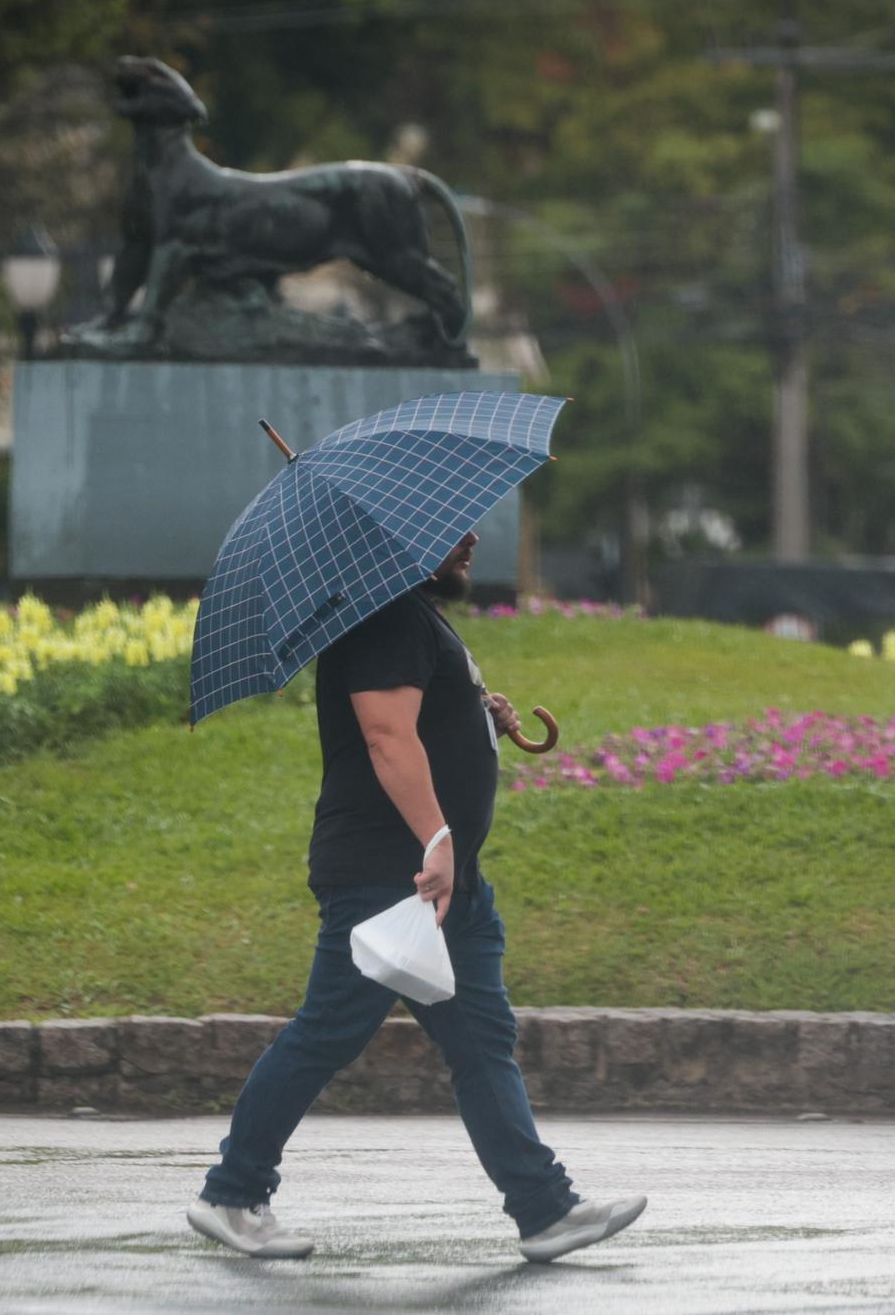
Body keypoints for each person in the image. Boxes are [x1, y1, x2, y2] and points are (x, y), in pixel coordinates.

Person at [187, 529, 646, 1262]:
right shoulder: (383, 619)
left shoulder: (409, 614)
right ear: (396, 544)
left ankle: (545, 1210)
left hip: (439, 880)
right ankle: (233, 1193)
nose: (469, 540)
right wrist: (436, 838)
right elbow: (385, 735)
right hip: (391, 876)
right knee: (328, 1031)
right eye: (449, 534)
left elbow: (416, 721)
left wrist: (472, 712)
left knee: (480, 1040)